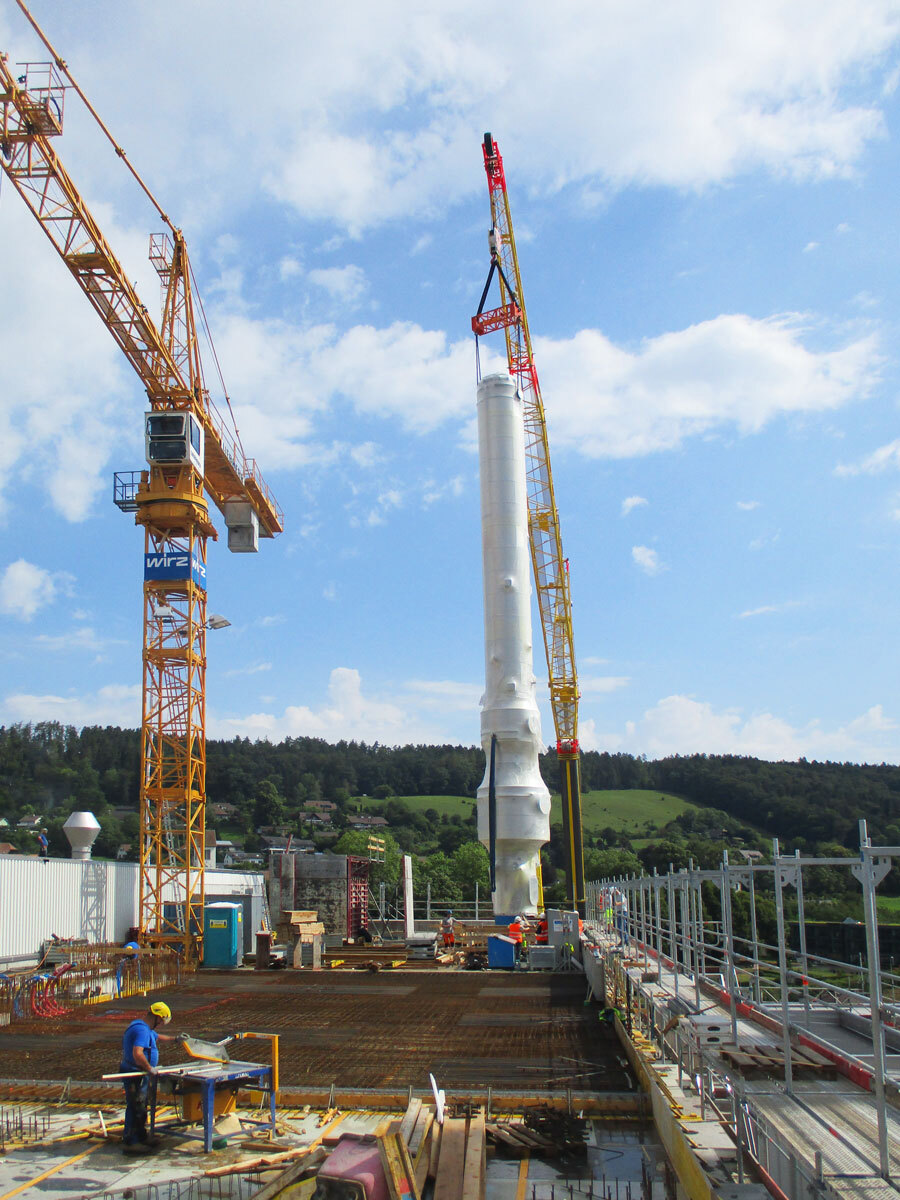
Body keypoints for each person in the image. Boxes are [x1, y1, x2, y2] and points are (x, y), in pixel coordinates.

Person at [120, 1001, 175, 1154]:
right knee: (136, 1107)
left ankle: (142, 1137)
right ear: (157, 1017)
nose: (162, 1024)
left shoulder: (144, 1027)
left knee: (141, 1106)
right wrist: (150, 1068)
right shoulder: (142, 1031)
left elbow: (158, 1037)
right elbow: (137, 1054)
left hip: (141, 1074)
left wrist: (175, 1039)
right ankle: (131, 1142)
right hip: (134, 1074)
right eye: (162, 1021)